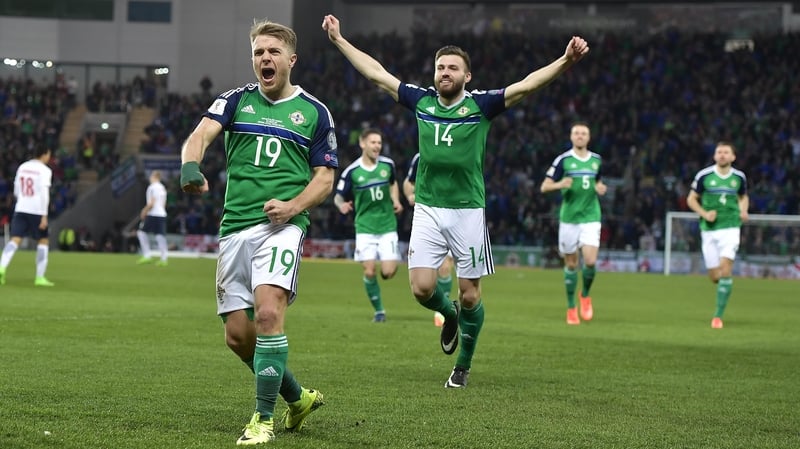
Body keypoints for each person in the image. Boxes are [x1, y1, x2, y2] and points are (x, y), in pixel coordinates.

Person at [323, 14, 589, 388]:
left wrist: (565, 61)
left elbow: (526, 86)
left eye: (453, 68)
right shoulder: (422, 101)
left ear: (467, 76)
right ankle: (448, 316)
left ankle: (462, 365)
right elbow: (376, 74)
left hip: (468, 212)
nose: (444, 72)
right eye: (440, 67)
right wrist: (339, 40)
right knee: (421, 289)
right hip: (428, 209)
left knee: (469, 294)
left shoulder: (481, 105)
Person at [180, 19, 338, 445]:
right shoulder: (234, 100)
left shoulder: (314, 112)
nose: (264, 59)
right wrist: (190, 167)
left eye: (272, 52)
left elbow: (325, 179)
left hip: (282, 227)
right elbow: (198, 136)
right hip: (235, 228)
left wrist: (292, 207)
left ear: (291, 60)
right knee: (237, 335)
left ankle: (262, 419)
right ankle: (297, 397)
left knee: (268, 314)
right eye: (257, 53)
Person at [539, 122, 607, 325]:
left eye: (583, 133)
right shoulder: (563, 160)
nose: (580, 136)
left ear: (589, 137)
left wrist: (600, 187)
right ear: (571, 137)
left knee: (591, 261)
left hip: (591, 217)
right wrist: (560, 184)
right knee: (571, 263)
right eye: (576, 133)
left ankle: (584, 295)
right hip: (569, 218)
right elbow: (544, 187)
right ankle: (571, 308)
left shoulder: (596, 160)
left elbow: (598, 182)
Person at [334, 128, 403, 322]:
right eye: (373, 142)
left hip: (387, 226)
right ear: (362, 144)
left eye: (379, 143)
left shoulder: (388, 165)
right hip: (364, 227)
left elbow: (392, 183)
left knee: (388, 272)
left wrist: (396, 200)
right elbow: (338, 197)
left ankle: (383, 278)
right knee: (370, 270)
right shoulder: (352, 172)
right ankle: (379, 311)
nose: (377, 146)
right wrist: (341, 206)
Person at [686, 141, 749, 329]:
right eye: (719, 152)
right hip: (709, 229)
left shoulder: (739, 177)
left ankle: (717, 316)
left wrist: (743, 210)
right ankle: (722, 285)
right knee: (715, 276)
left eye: (726, 152)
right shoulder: (704, 176)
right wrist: (705, 214)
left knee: (725, 268)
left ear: (733, 157)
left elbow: (743, 196)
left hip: (730, 227)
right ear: (714, 156)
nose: (722, 155)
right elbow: (691, 199)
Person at [0, 144, 55, 287]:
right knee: (43, 241)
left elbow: (17, 190)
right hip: (37, 210)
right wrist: (44, 215)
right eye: (48, 154)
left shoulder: (22, 167)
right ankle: (39, 277)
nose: (49, 157)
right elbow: (44, 194)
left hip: (21, 208)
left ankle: (1, 267)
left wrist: (23, 200)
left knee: (14, 240)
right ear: (44, 154)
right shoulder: (45, 170)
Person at [403, 152, 455, 302]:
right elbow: (408, 182)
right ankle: (446, 309)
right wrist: (409, 195)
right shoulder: (421, 156)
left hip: (454, 215)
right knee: (424, 281)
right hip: (429, 218)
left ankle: (446, 313)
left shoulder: (458, 153)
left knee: (445, 267)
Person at [136, 170, 169, 266]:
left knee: (141, 233)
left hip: (153, 213)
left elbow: (152, 202)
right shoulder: (162, 188)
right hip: (162, 214)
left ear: (154, 176)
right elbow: (163, 203)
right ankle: (164, 259)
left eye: (151, 176)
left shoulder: (152, 187)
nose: (150, 178)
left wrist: (144, 211)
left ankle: (147, 255)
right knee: (160, 236)